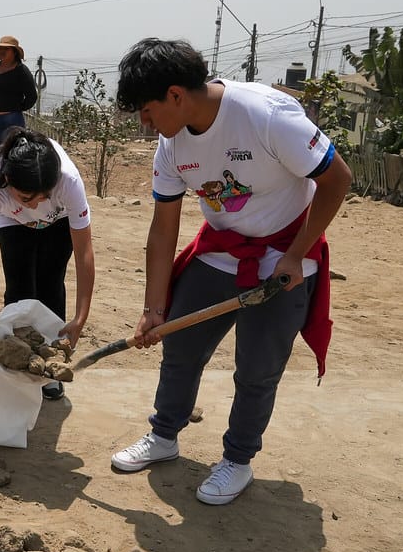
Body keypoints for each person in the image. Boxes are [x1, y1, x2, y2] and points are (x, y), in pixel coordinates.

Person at [109, 38, 352, 505]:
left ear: (176, 95)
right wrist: (153, 308)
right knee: (179, 346)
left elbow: (336, 177)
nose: (145, 121)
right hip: (220, 250)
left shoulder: (266, 117)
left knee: (257, 369)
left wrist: (295, 255)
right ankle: (164, 437)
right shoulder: (172, 144)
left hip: (284, 255)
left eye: (146, 109)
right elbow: (163, 230)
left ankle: (237, 461)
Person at [0, 127, 95, 401]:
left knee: (51, 281)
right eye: (27, 197)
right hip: (12, 220)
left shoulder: (68, 181)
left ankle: (50, 364)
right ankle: (17, 360)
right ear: (7, 181)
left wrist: (80, 317)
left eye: (44, 196)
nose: (36, 204)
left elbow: (85, 251)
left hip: (58, 222)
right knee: (19, 288)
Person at [0, 36, 37, 155]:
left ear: (14, 52)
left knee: (12, 155)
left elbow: (32, 96)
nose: (1, 52)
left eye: (6, 49)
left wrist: (16, 108)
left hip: (12, 120)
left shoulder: (22, 71)